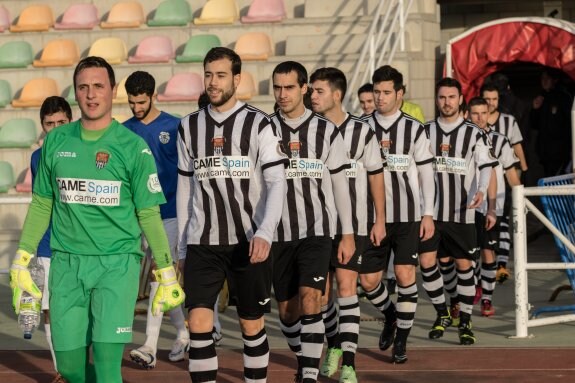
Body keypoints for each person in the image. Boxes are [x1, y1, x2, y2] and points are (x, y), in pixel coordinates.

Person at [9, 56, 183, 383]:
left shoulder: (133, 147)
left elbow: (148, 213)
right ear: (75, 92)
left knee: (106, 367)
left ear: (112, 90)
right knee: (71, 369)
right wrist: (22, 257)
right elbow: (42, 202)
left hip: (117, 266)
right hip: (66, 265)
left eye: (98, 86)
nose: (91, 94)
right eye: (83, 87)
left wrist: (166, 270)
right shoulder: (57, 142)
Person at [177, 47, 287, 383]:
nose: (213, 82)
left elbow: (276, 181)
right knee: (198, 325)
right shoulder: (189, 126)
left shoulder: (259, 124)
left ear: (237, 79)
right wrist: (181, 247)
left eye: (221, 75)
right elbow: (185, 189)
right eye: (208, 74)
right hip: (202, 241)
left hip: (248, 243)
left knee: (250, 325)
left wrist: (266, 231)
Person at [270, 61, 355, 383]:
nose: (282, 94)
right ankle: (321, 335)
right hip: (277, 234)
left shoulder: (326, 130)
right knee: (288, 315)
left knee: (310, 298)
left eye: (289, 87)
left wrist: (346, 234)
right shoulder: (263, 128)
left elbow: (339, 186)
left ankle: (307, 375)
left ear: (304, 88)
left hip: (316, 232)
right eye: (277, 87)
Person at [309, 67, 386, 382]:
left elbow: (376, 175)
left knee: (346, 288)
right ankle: (335, 345)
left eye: (319, 91)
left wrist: (380, 219)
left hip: (352, 225)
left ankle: (350, 364)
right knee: (322, 295)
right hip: (316, 225)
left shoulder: (362, 130)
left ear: (336, 95)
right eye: (311, 91)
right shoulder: (309, 129)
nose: (312, 96)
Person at [360, 65, 435, 363]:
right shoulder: (361, 127)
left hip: (407, 216)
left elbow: (427, 174)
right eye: (376, 92)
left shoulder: (415, 128)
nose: (380, 97)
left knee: (405, 275)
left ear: (400, 93)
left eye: (386, 92)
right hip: (372, 216)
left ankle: (401, 342)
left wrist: (428, 213)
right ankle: (391, 315)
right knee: (368, 282)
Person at [122, 71, 191, 368]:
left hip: (170, 214)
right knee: (164, 282)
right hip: (135, 217)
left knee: (159, 277)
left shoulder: (175, 126)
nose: (136, 108)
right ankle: (183, 331)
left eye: (141, 102)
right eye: (131, 102)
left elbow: (189, 174)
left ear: (153, 96)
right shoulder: (123, 131)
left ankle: (149, 345)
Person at [421, 77, 497, 346]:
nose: (446, 102)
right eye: (442, 97)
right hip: (431, 212)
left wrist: (482, 189)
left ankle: (465, 319)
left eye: (451, 97)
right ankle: (442, 314)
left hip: (462, 211)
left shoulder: (475, 132)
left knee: (464, 266)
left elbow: (486, 164)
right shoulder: (426, 130)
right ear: (437, 98)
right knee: (428, 263)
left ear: (460, 99)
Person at [29, 96, 73, 383]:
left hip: (80, 245)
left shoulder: (89, 151)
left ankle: (79, 365)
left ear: (71, 120)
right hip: (47, 245)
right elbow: (42, 204)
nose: (55, 128)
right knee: (49, 309)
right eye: (49, 124)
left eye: (61, 122)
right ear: (42, 126)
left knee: (80, 311)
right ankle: (62, 371)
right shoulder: (37, 158)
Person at [467, 97, 521, 316]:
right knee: (467, 255)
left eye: (483, 113)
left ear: (489, 114)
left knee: (488, 253)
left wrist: (520, 200)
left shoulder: (500, 140)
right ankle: (470, 289)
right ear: (468, 114)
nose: (479, 118)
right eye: (475, 113)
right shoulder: (462, 138)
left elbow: (510, 173)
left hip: (492, 206)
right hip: (466, 206)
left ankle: (487, 299)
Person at [481, 83, 527, 282]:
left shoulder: (508, 121)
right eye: (487, 99)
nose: (491, 103)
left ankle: (501, 265)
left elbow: (517, 146)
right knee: (484, 226)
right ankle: (485, 269)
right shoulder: (474, 120)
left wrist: (524, 170)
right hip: (483, 183)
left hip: (506, 178)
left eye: (494, 99)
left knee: (504, 222)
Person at [530, 68, 573, 177]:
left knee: (558, 179)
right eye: (542, 78)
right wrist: (535, 109)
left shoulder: (564, 97)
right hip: (545, 152)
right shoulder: (541, 97)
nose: (544, 81)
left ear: (555, 80)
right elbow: (534, 124)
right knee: (548, 177)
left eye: (547, 78)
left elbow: (570, 124)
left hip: (560, 151)